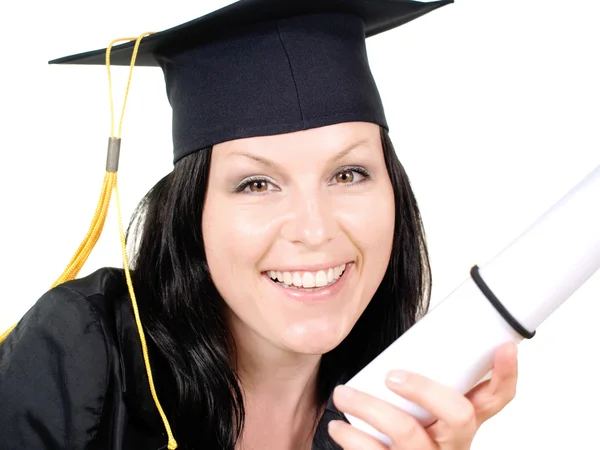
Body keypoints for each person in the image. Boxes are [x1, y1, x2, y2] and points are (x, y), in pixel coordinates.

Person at [0, 1, 518, 449]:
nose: (314, 230)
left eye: (348, 173)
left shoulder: (388, 409)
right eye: (256, 184)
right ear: (191, 211)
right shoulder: (82, 348)